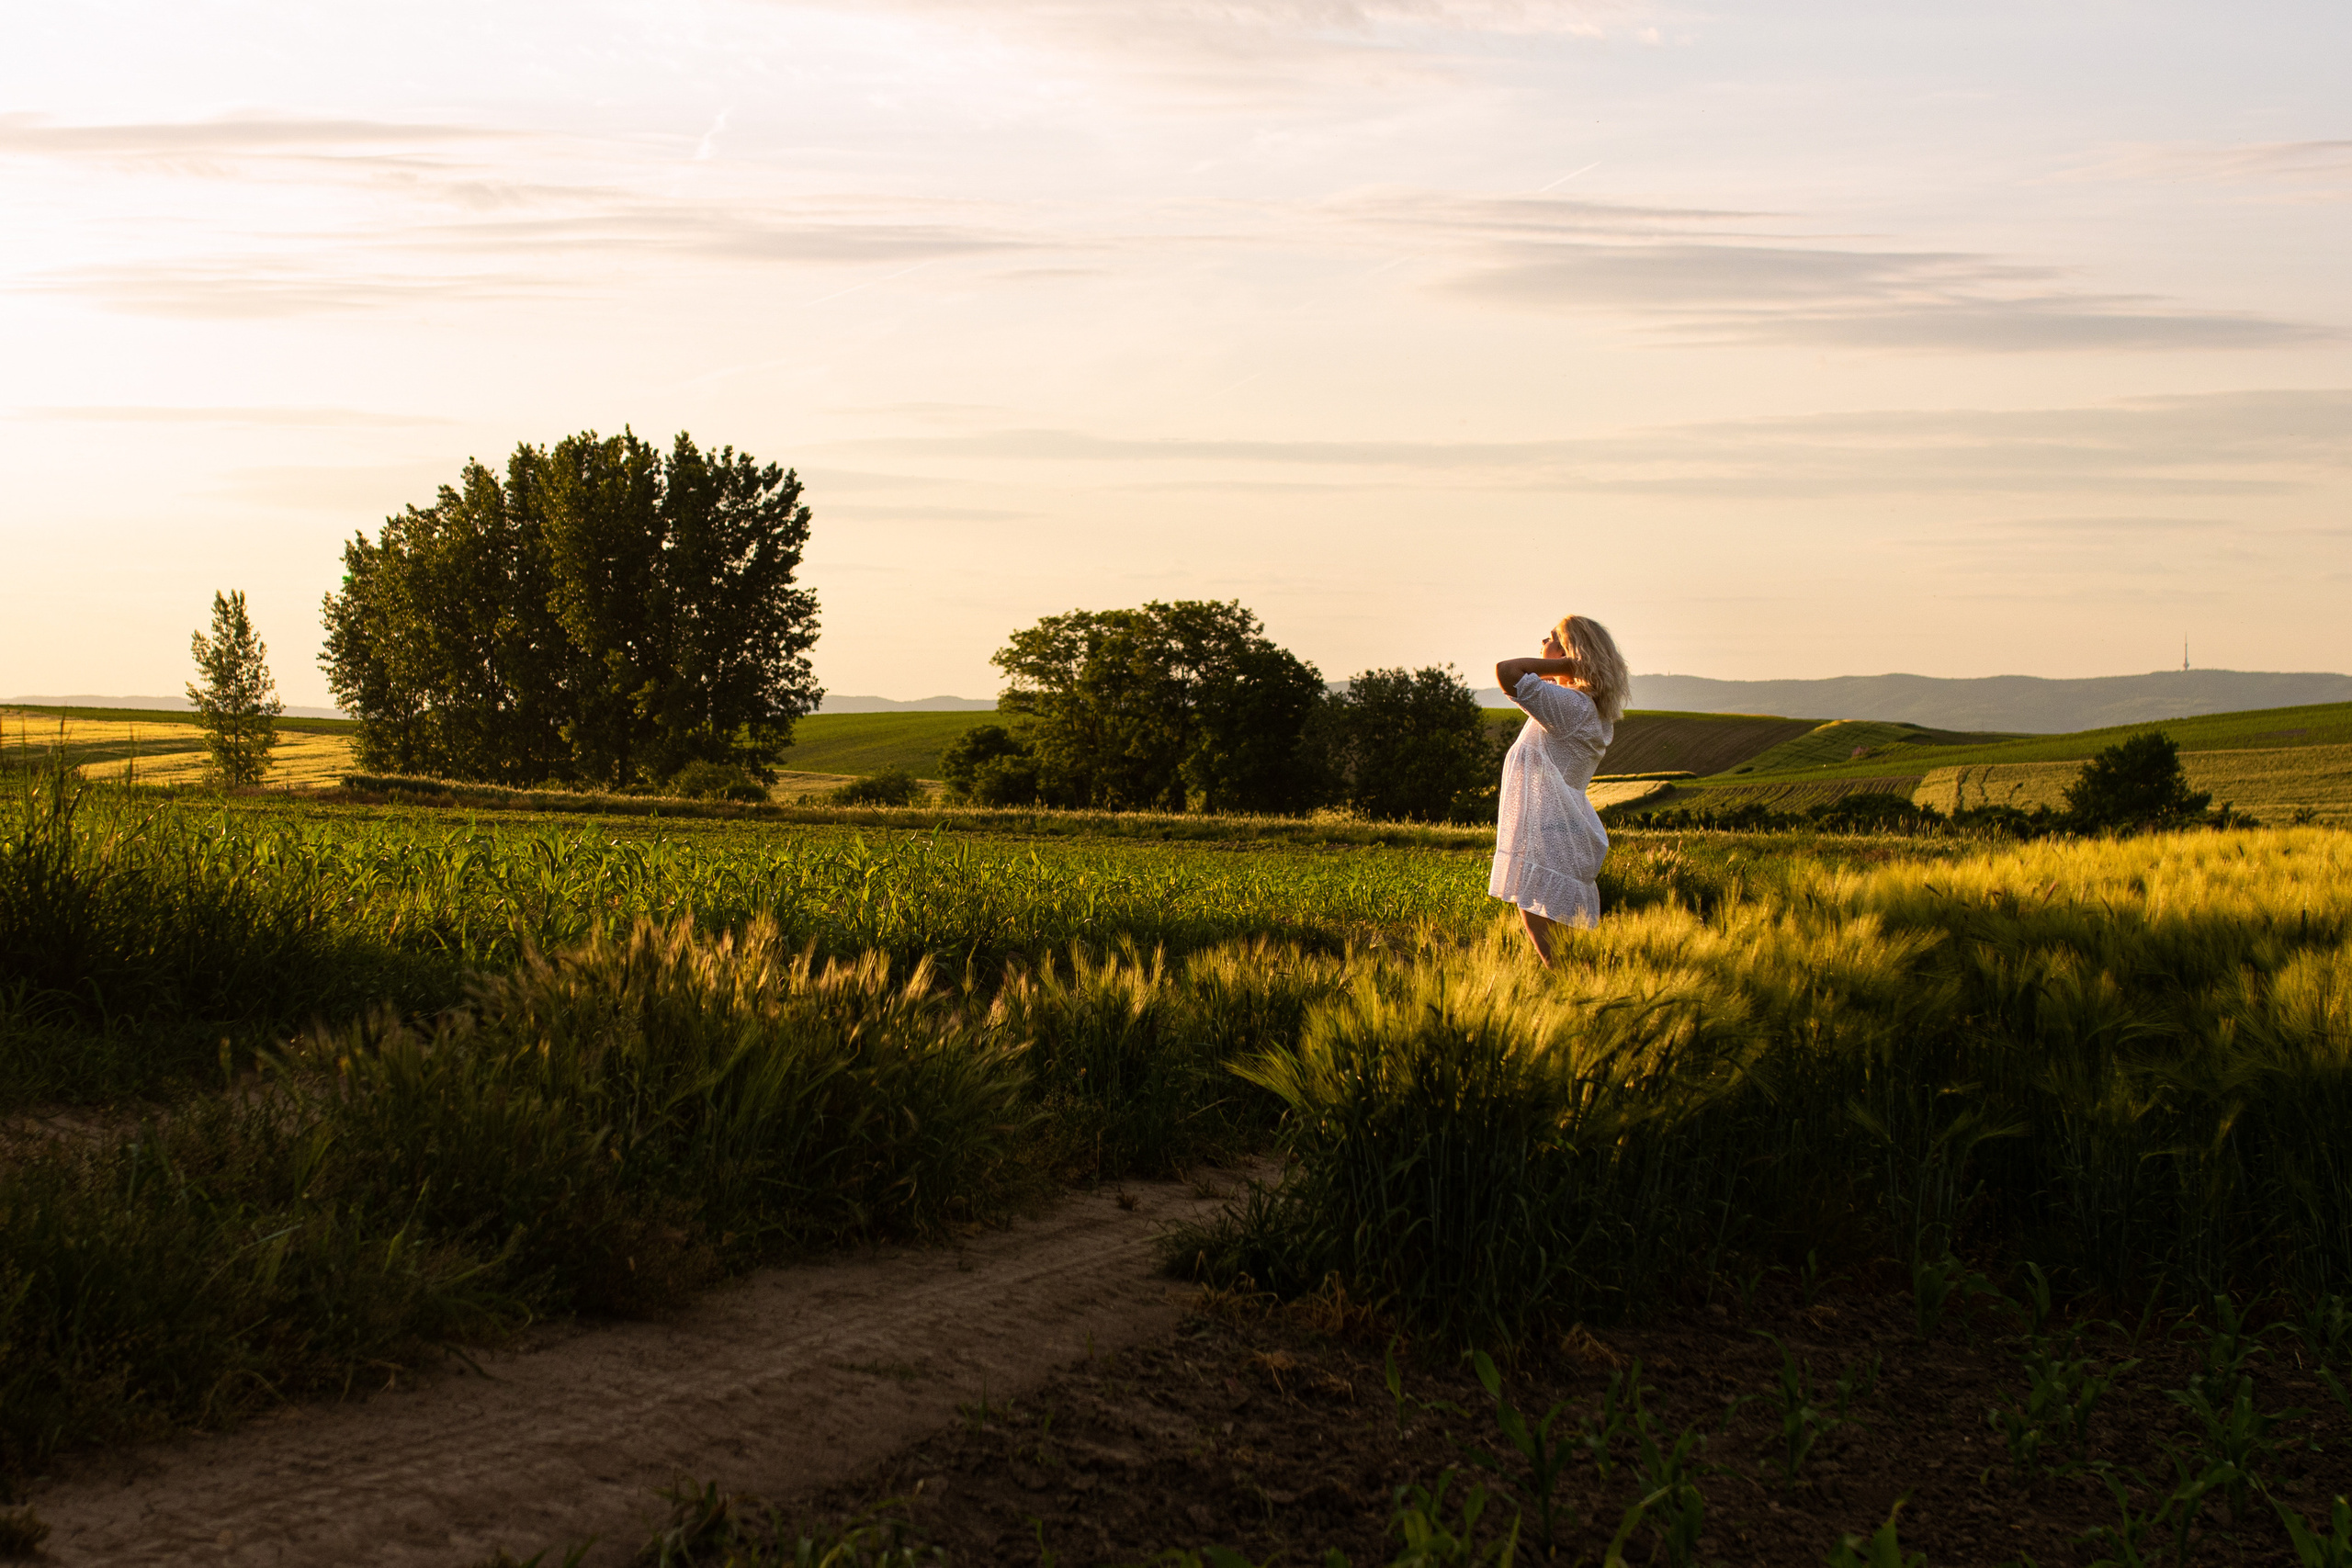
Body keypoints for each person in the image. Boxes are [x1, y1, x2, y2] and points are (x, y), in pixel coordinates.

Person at [1489, 615, 1630, 965]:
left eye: (1553, 638)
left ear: (1573, 652)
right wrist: (1563, 666)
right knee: (1554, 931)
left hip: (1553, 831)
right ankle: (1579, 988)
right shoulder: (1581, 706)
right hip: (1560, 828)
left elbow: (1507, 671)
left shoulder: (1573, 707)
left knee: (1547, 933)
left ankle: (1572, 991)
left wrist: (1566, 664)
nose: (1542, 640)